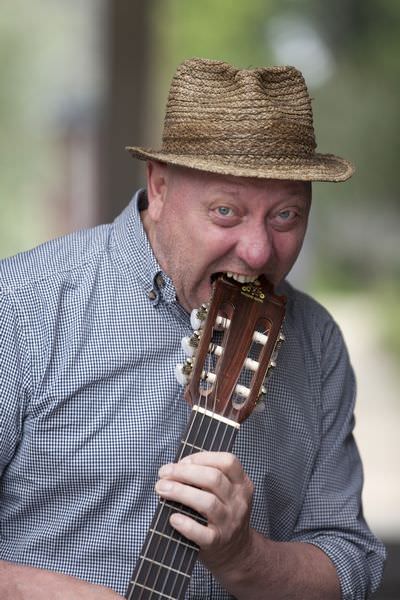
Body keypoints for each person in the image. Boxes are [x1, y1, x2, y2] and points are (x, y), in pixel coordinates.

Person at [0, 57, 385, 599]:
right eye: (226, 212)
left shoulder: (317, 343)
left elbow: (350, 564)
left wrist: (245, 557)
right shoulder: (19, 309)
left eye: (286, 216)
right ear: (158, 187)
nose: (257, 252)